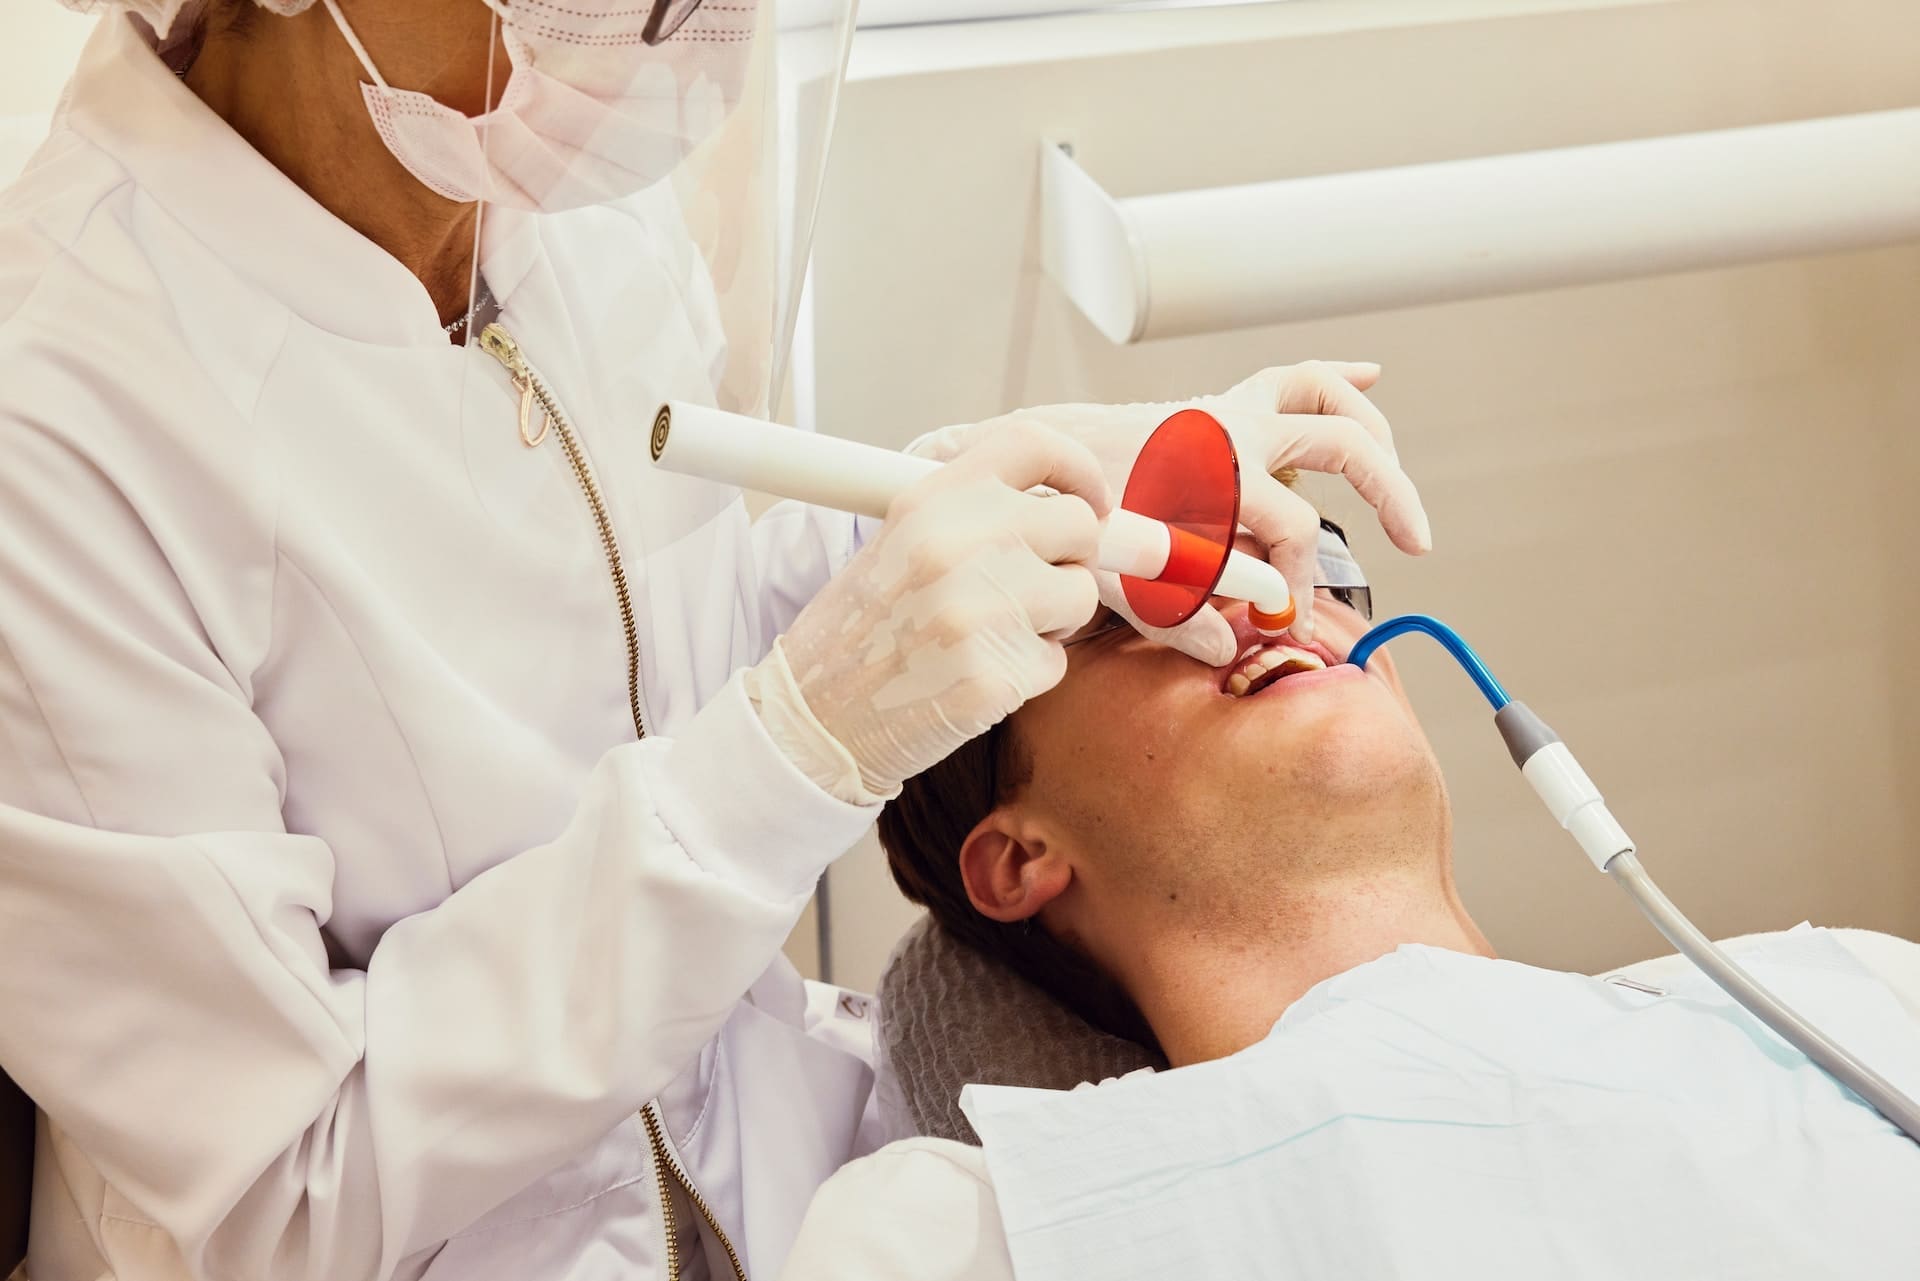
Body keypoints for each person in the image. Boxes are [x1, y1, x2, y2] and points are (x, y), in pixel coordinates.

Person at [0, 1, 1434, 1278]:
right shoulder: (59, 427)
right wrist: (793, 749)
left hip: (756, 1177)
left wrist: (1015, 492)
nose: (685, 32)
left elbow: (634, 624)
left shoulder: (563, 197)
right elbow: (277, 1198)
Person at [779, 546, 1920, 1280]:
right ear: (1019, 858)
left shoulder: (1848, 997)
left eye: (1298, 565)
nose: (1268, 605)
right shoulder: (965, 1231)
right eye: (1136, 608)